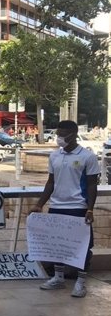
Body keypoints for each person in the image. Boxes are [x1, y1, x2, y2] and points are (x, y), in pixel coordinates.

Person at [31, 120, 99, 298]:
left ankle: (81, 282)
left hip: (78, 207)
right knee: (56, 245)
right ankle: (58, 278)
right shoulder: (54, 156)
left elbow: (92, 185)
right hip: (57, 206)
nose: (59, 138)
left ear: (73, 134)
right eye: (58, 134)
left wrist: (90, 209)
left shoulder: (87, 157)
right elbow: (50, 182)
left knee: (83, 247)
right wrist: (39, 204)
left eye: (62, 135)